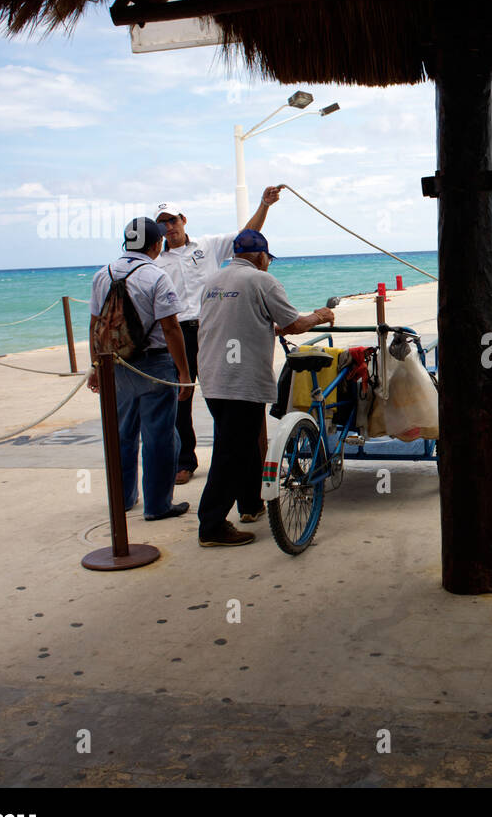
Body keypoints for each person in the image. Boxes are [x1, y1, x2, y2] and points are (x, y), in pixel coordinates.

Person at [196, 229, 335, 547]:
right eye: (268, 259)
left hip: (213, 376)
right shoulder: (262, 280)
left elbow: (231, 320)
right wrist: (320, 315)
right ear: (261, 256)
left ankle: (250, 505)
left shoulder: (213, 281)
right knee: (231, 452)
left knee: (239, 443)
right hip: (240, 380)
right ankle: (212, 524)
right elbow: (293, 325)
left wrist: (264, 326)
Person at [155, 186, 283, 486]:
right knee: (180, 398)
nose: (169, 227)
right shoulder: (157, 262)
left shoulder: (208, 245)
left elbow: (246, 236)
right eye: (163, 223)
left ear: (183, 219)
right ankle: (185, 460)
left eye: (172, 220)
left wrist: (264, 205)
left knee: (226, 394)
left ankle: (234, 453)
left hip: (213, 329)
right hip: (177, 333)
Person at [87, 217, 193, 520]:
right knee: (160, 437)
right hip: (153, 364)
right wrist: (183, 373)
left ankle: (122, 498)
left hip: (115, 364)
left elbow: (95, 324)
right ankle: (158, 505)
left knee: (121, 434)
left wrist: (95, 364)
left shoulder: (102, 274)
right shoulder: (156, 276)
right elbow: (171, 328)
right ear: (156, 244)